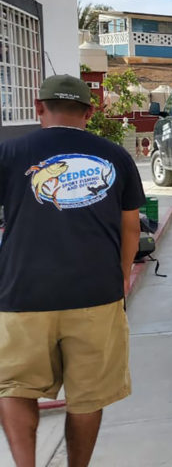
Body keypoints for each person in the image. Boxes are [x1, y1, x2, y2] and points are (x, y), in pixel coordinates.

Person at [0, 75, 145, 466]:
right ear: (90, 113)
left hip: (20, 293)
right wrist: (120, 278)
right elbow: (131, 227)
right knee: (88, 394)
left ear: (38, 107)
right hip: (96, 293)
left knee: (15, 386)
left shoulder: (9, 153)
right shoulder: (116, 156)